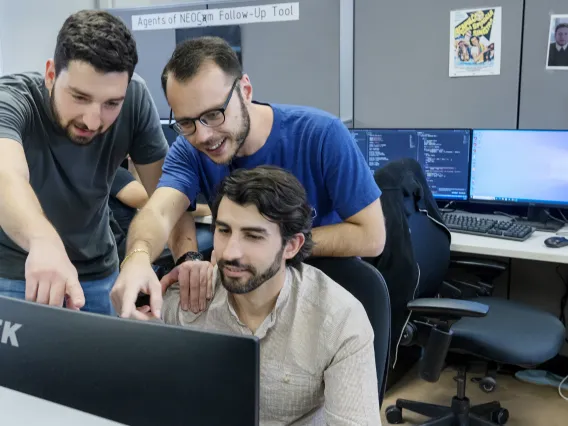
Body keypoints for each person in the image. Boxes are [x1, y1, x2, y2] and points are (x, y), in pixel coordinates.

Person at [111, 36, 386, 318]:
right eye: (186, 123)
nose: (204, 135)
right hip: (242, 301)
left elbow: (371, 235)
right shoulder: (189, 149)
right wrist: (140, 257)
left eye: (214, 114)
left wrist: (270, 247)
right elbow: (159, 211)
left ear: (245, 90)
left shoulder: (321, 135)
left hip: (320, 295)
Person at [119, 166, 382, 425]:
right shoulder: (188, 296)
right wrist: (132, 324)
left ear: (291, 245)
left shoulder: (338, 319)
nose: (230, 252)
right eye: (223, 231)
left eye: (253, 236)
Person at [0, 10, 168, 315]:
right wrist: (42, 240)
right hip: (15, 273)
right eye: (79, 97)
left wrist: (142, 256)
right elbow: (6, 175)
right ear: (50, 75)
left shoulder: (136, 98)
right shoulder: (11, 98)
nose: (93, 121)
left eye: (111, 104)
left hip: (100, 275)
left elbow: (165, 195)